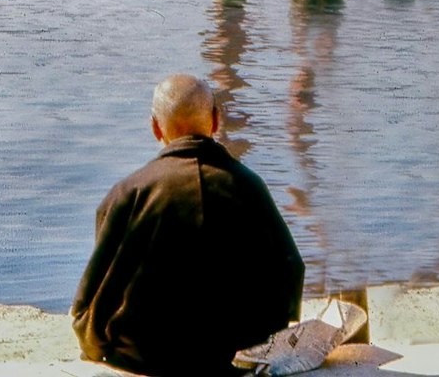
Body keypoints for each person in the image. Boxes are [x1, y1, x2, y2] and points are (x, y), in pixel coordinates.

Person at [72, 74, 304, 376]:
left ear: (156, 127)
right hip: (231, 353)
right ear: (216, 120)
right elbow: (290, 273)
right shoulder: (249, 187)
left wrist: (95, 344)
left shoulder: (128, 193)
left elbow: (95, 296)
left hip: (144, 355)